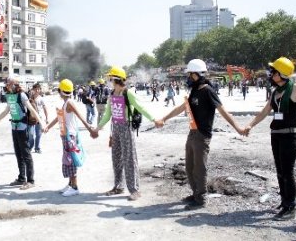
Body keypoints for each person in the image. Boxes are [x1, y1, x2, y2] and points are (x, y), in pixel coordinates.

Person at [157, 59, 245, 210]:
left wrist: (238, 128)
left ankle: (201, 198)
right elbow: (182, 108)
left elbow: (223, 111)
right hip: (192, 133)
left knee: (200, 167)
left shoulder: (207, 91)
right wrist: (164, 118)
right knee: (189, 166)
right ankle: (195, 193)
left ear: (196, 74)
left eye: (190, 74)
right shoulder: (195, 91)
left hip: (202, 135)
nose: (188, 77)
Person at [244, 57, 296, 221]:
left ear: (281, 74)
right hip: (276, 136)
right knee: (280, 171)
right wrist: (250, 125)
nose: (270, 74)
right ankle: (284, 202)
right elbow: (265, 111)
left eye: (273, 71)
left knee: (288, 172)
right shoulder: (275, 92)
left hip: (290, 136)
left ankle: (291, 207)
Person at [92, 67, 163, 201]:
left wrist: (154, 120)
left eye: (111, 78)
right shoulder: (112, 94)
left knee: (129, 158)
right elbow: (108, 114)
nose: (109, 80)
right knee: (116, 158)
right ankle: (118, 186)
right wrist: (98, 127)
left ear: (116, 79)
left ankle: (135, 189)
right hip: (116, 128)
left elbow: (140, 107)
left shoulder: (127, 93)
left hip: (126, 127)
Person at [0, 77, 45, 190]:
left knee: (26, 154)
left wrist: (41, 123)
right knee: (18, 153)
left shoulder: (22, 95)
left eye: (9, 83)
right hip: (14, 126)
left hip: (23, 127)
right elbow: (6, 111)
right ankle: (21, 178)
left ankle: (30, 180)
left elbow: (32, 110)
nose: (7, 85)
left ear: (14, 84)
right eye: (7, 83)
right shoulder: (10, 96)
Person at [44, 79, 96, 197]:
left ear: (61, 91)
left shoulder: (70, 103)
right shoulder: (66, 102)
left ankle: (75, 187)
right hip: (66, 135)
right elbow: (59, 118)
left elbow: (80, 116)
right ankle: (70, 184)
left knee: (70, 160)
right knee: (67, 159)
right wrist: (48, 127)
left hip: (70, 136)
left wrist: (89, 129)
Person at [27, 83, 49, 154]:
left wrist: (47, 118)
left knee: (38, 134)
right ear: (33, 89)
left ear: (40, 90)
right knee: (30, 134)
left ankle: (37, 148)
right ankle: (30, 146)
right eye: (35, 89)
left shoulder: (41, 99)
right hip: (31, 119)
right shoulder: (29, 98)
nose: (37, 90)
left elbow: (45, 108)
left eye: (38, 89)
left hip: (40, 119)